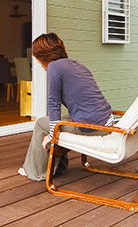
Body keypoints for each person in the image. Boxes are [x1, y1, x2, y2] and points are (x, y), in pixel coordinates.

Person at [18, 33, 113, 181]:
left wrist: (51, 135)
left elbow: (53, 102)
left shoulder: (54, 67)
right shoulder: (77, 64)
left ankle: (35, 171)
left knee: (41, 123)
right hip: (106, 122)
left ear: (42, 55)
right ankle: (59, 167)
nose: (38, 62)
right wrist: (54, 128)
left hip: (92, 126)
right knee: (53, 122)